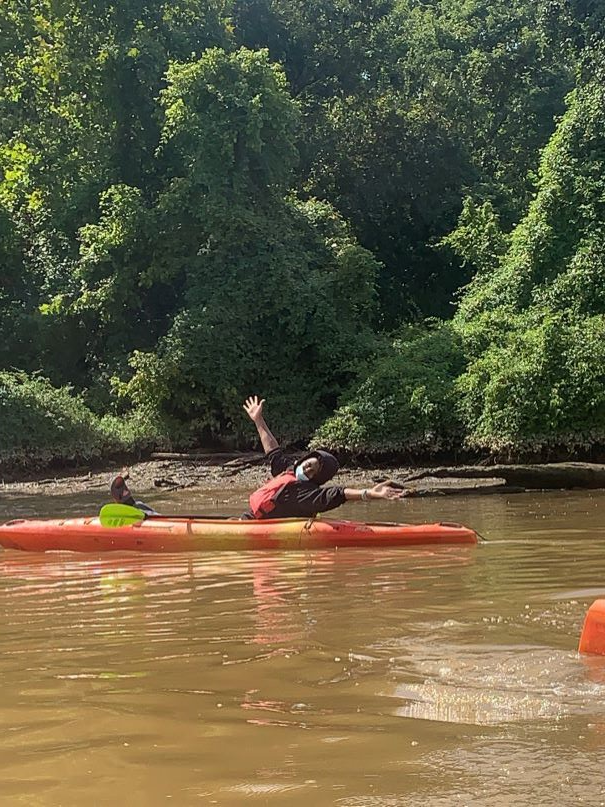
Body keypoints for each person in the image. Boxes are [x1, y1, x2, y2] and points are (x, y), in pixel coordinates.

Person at [242, 395, 406, 520]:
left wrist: (368, 493)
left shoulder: (309, 495)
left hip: (266, 527)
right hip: (249, 520)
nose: (307, 469)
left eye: (312, 472)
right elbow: (273, 450)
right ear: (305, 459)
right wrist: (258, 420)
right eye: (309, 464)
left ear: (317, 479)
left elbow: (339, 493)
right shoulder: (287, 470)